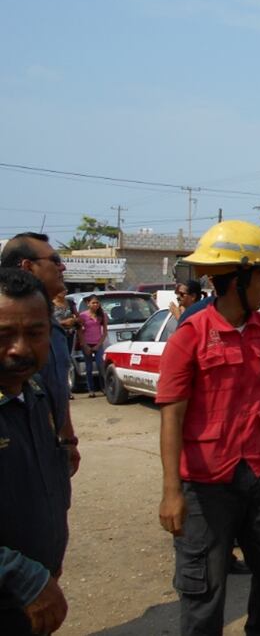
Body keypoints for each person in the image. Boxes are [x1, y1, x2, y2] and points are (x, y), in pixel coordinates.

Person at [156, 220, 260, 635]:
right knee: (204, 588)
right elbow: (172, 416)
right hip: (204, 483)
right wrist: (171, 494)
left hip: (258, 472)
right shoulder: (190, 336)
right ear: (236, 280)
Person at [0, 269, 72, 635]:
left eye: (34, 333)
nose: (20, 349)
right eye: (4, 335)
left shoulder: (36, 393)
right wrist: (23, 576)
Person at [1, 232, 80, 475]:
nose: (62, 266)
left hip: (46, 444)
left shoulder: (52, 325)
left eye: (35, 333)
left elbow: (57, 387)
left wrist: (66, 437)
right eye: (55, 261)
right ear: (27, 266)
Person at [78, 295, 108, 397]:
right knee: (89, 367)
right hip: (86, 344)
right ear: (88, 304)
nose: (95, 305)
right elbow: (80, 332)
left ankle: (104, 387)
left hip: (98, 344)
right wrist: (85, 345)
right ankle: (91, 390)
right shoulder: (83, 316)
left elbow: (104, 333)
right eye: (93, 303)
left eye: (97, 303)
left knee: (100, 365)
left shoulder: (102, 315)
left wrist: (98, 345)